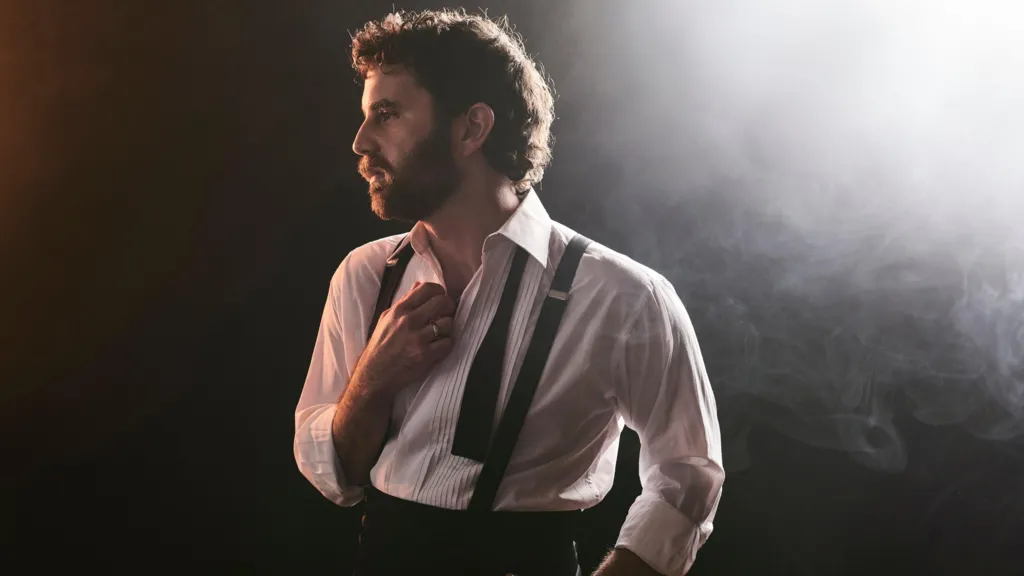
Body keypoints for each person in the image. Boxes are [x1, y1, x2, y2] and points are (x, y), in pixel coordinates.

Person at [293, 8, 724, 576]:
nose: (360, 141)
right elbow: (334, 476)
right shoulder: (366, 274)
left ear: (472, 128)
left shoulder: (624, 296)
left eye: (387, 114)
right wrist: (372, 380)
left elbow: (687, 475)